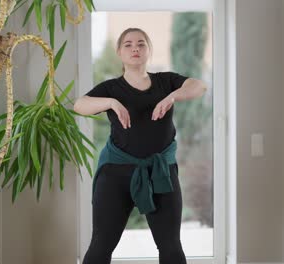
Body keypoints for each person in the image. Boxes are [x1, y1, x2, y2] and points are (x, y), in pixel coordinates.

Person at [74, 27, 207, 264]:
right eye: (128, 44)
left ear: (149, 50)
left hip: (161, 173)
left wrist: (172, 96)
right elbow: (80, 105)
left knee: (171, 247)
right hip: (116, 175)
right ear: (119, 52)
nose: (135, 48)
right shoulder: (111, 88)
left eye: (141, 43)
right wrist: (111, 103)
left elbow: (198, 86)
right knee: (101, 245)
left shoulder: (166, 81)